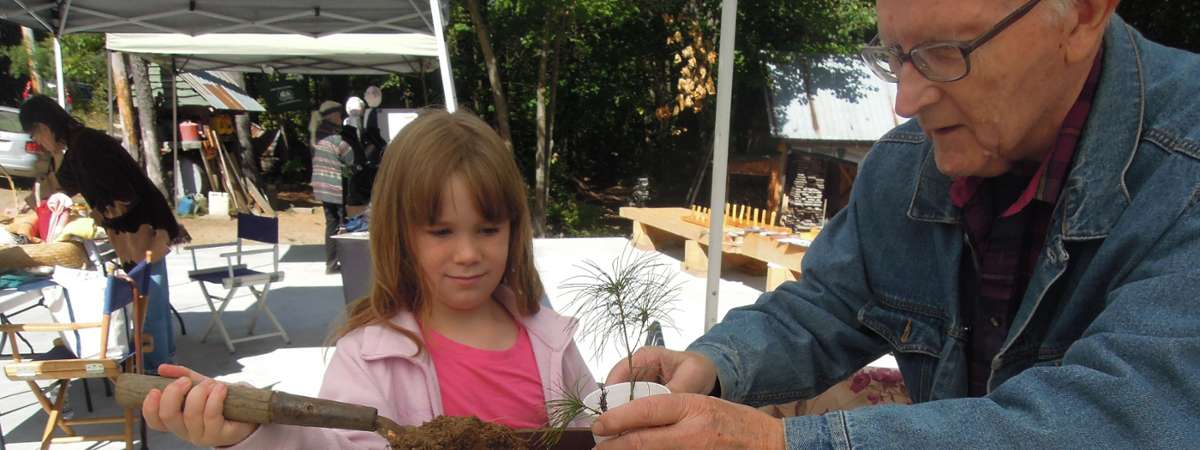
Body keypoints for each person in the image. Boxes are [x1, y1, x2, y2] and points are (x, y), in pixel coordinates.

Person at [593, 0, 1200, 448]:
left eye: (945, 55)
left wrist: (781, 444)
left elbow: (1133, 414)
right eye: (896, 56)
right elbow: (829, 304)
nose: (906, 100)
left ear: (1084, 14)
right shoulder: (908, 164)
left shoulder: (1186, 168)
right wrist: (717, 367)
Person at [141, 109, 596, 448]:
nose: (468, 254)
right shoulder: (368, 356)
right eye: (441, 231)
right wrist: (249, 433)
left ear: (515, 229)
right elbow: (329, 445)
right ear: (400, 235)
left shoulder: (551, 341)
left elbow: (595, 430)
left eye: (488, 229)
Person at [19, 94, 190, 374]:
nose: (37, 141)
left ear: (45, 126)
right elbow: (65, 183)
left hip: (144, 229)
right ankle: (161, 367)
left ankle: (159, 373)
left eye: (36, 134)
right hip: (135, 230)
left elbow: (123, 196)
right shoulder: (76, 147)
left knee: (150, 308)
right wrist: (35, 200)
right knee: (149, 304)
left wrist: (95, 217)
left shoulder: (87, 146)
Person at [310, 100, 354, 273]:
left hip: (320, 185)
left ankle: (331, 262)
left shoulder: (317, 134)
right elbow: (350, 157)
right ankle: (337, 261)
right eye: (339, 114)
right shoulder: (335, 138)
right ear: (333, 115)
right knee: (340, 223)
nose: (340, 117)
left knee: (331, 223)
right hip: (333, 186)